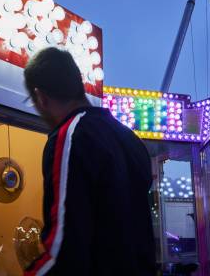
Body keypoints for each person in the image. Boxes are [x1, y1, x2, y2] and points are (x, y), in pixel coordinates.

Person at [23, 47, 156, 275]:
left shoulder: (71, 136)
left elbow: (64, 252)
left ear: (41, 97)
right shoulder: (130, 139)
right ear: (79, 82)